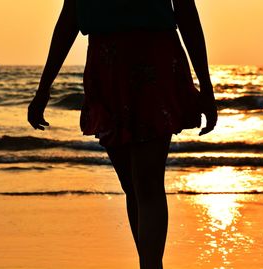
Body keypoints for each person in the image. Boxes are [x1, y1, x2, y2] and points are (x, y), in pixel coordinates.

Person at [28, 0, 217, 268]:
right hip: (122, 60)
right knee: (137, 185)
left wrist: (207, 87)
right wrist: (43, 88)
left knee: (143, 185)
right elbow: (70, 14)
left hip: (131, 57)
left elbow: (185, 10)